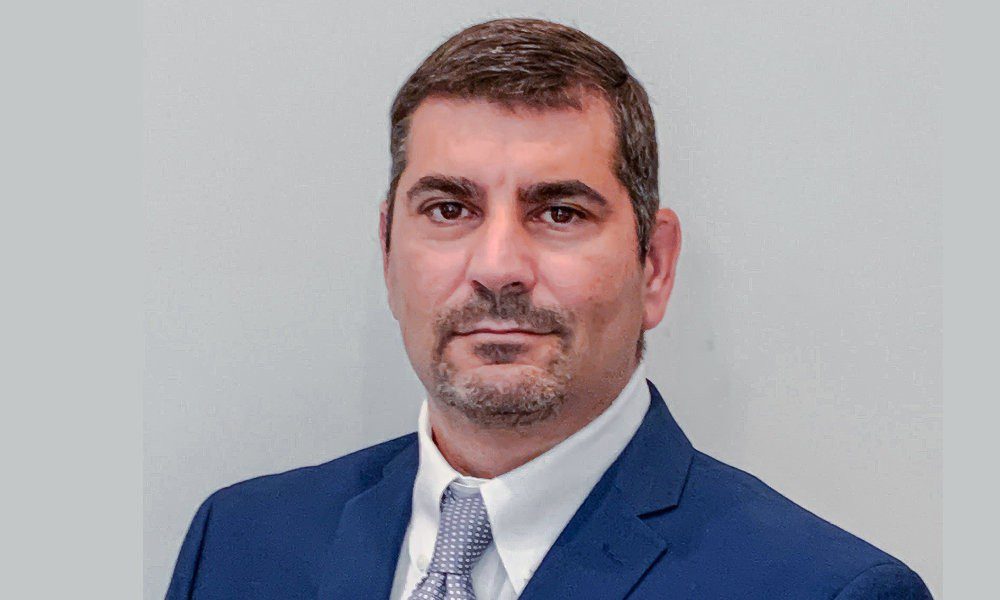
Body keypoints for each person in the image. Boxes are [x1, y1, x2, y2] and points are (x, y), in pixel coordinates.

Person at [166, 18, 931, 600]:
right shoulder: (238, 545)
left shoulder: (821, 589)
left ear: (655, 265)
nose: (497, 266)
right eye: (449, 209)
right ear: (389, 252)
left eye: (560, 212)